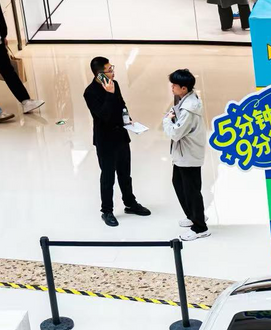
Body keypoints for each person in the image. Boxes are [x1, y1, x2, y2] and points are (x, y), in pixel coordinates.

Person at [83, 56, 149, 227]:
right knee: (108, 177)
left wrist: (128, 118)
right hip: (105, 141)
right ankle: (107, 211)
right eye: (109, 70)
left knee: (125, 173)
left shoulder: (115, 84)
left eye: (112, 68)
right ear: (99, 74)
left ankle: (130, 203)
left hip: (121, 136)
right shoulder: (90, 92)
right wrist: (109, 93)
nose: (112, 72)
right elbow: (104, 115)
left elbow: (121, 104)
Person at [162, 69, 210, 241]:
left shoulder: (189, 108)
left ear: (184, 88)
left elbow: (175, 133)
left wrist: (167, 120)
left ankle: (200, 227)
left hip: (188, 155)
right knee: (179, 183)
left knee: (191, 191)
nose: (172, 88)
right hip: (183, 154)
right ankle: (193, 215)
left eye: (174, 85)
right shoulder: (187, 99)